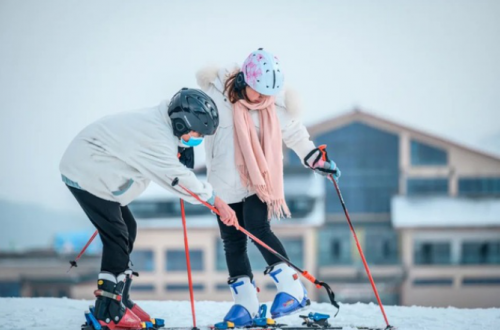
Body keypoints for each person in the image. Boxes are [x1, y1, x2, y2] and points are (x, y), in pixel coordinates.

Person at [59, 88, 237, 330]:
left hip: (92, 164)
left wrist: (179, 149)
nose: (198, 139)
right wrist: (216, 202)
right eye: (197, 133)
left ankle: (120, 299)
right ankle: (108, 311)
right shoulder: (156, 136)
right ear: (182, 123)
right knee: (117, 234)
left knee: (127, 228)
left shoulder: (161, 126)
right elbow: (178, 180)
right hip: (86, 169)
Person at [196, 49, 341, 326]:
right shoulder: (216, 94)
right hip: (223, 184)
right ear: (244, 81)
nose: (263, 98)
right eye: (258, 91)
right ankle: (246, 305)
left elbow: (296, 133)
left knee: (258, 227)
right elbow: (195, 120)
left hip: (257, 182)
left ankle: (292, 290)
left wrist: (315, 159)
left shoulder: (274, 106)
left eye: (268, 93)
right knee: (232, 242)